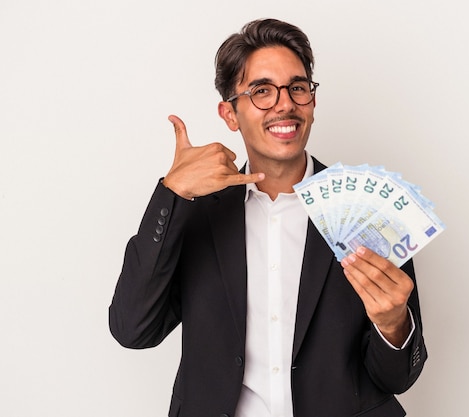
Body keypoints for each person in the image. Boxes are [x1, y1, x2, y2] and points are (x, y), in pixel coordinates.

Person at [109, 18, 427, 417]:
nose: (285, 104)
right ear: (230, 114)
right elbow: (132, 329)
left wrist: (394, 326)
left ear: (312, 101)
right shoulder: (194, 213)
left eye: (297, 87)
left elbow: (396, 379)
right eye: (262, 91)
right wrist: (170, 193)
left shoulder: (365, 211)